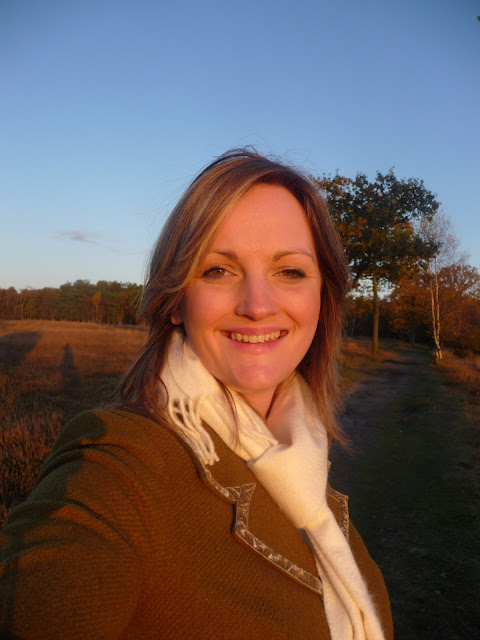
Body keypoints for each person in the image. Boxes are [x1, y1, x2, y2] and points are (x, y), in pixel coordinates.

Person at [0, 149, 393, 639]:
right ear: (176, 301)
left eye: (290, 271)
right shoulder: (119, 462)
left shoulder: (307, 460)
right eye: (217, 271)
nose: (257, 305)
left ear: (322, 295)